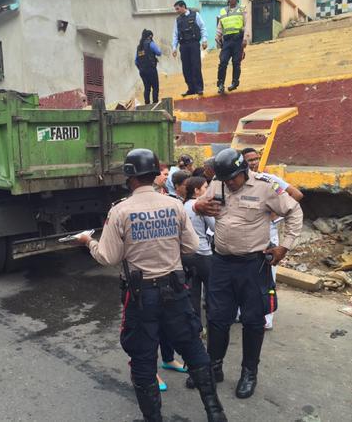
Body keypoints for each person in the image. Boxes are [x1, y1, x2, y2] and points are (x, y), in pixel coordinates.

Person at [77, 148, 227, 422]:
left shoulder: (120, 210)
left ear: (129, 176)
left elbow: (108, 257)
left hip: (140, 296)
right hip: (176, 291)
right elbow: (191, 246)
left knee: (143, 357)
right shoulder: (173, 205)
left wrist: (89, 242)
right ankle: (215, 412)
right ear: (155, 174)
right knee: (193, 347)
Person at [193, 148, 303, 399]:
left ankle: (249, 373)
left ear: (244, 171)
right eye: (225, 179)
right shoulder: (218, 182)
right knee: (218, 318)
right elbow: (201, 206)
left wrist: (284, 246)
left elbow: (294, 211)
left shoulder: (265, 186)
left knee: (253, 321)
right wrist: (199, 205)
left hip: (252, 266)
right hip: (220, 263)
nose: (229, 183)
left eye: (233, 177)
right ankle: (214, 366)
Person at [241, 148, 303, 329]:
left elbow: (297, 195)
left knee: (267, 276)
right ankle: (243, 313)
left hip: (268, 235)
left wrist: (275, 216)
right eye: (249, 160)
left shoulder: (269, 180)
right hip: (247, 235)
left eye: (256, 159)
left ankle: (266, 318)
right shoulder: (238, 183)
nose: (253, 162)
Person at [182, 176, 215, 320]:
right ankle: (212, 323)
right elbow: (214, 226)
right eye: (205, 187)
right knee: (211, 291)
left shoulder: (182, 206)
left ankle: (196, 328)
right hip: (203, 253)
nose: (207, 190)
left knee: (193, 293)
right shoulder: (201, 205)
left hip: (187, 254)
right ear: (196, 190)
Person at [172, 0, 208, 97]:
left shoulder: (195, 15)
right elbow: (175, 35)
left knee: (196, 66)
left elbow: (202, 27)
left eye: (177, 9)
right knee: (186, 68)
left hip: (194, 44)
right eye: (176, 9)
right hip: (183, 46)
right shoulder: (178, 20)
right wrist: (174, 48)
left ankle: (199, 88)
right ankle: (191, 88)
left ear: (183, 6)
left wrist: (204, 40)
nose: (177, 11)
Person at [215, 0, 248, 94]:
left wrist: (245, 38)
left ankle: (235, 82)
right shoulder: (223, 11)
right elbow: (220, 26)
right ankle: (220, 84)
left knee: (236, 62)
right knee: (223, 62)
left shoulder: (242, 9)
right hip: (227, 41)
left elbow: (247, 24)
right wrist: (217, 37)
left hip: (238, 40)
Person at [136, 29, 162, 105]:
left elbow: (136, 61)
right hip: (151, 69)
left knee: (147, 88)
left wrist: (141, 68)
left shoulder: (139, 47)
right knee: (155, 87)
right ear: (150, 36)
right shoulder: (150, 43)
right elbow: (159, 52)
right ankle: (155, 103)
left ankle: (147, 104)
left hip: (142, 71)